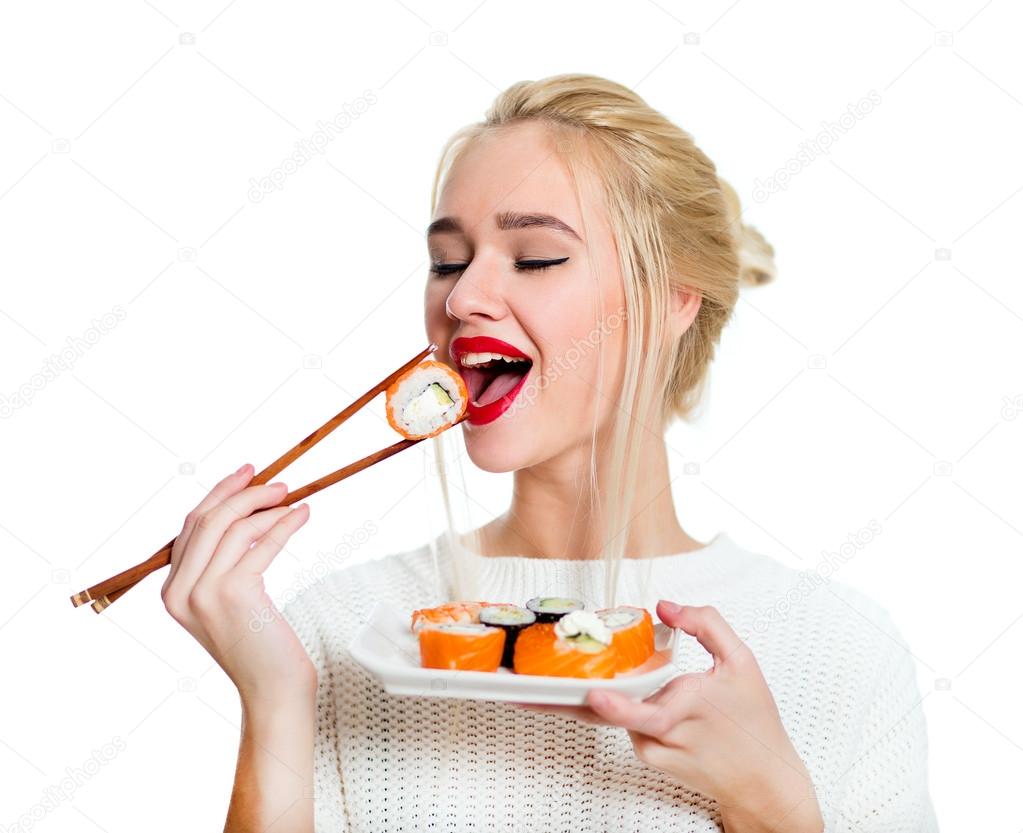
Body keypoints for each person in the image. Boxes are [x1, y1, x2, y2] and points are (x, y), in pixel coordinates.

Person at [162, 73, 938, 832]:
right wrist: (275, 698)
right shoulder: (338, 630)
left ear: (671, 299)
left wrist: (773, 808)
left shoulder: (839, 648)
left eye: (533, 257)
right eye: (446, 261)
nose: (462, 298)